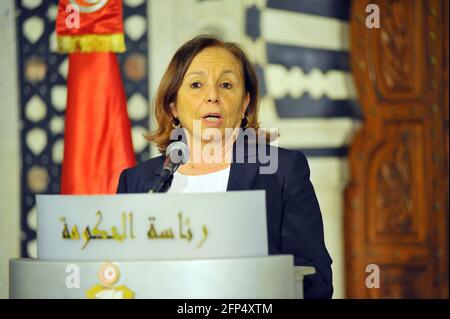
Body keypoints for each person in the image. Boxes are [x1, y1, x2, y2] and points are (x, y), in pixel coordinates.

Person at [116, 35, 333, 299]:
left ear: (244, 104)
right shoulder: (138, 182)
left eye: (226, 84)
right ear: (172, 105)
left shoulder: (281, 171)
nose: (213, 96)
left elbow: (316, 280)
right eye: (196, 84)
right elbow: (119, 277)